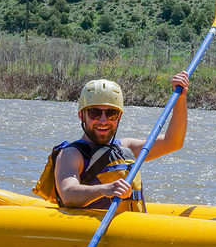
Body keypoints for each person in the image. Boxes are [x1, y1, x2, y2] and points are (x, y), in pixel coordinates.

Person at [51, 72, 189, 210]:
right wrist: (103, 189)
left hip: (132, 228)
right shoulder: (71, 154)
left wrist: (180, 98)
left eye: (111, 113)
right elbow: (68, 194)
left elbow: (172, 142)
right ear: (81, 115)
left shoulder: (126, 148)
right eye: (95, 113)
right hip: (95, 229)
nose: (103, 120)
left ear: (119, 117)